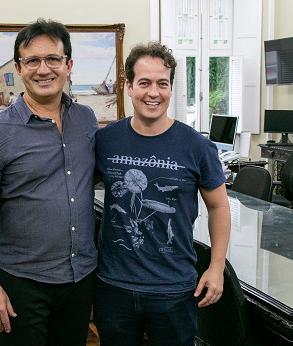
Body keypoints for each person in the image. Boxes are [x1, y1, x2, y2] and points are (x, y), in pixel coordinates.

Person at [0, 18, 98, 346]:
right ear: (19, 69)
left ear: (68, 65)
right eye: (32, 60)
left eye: (53, 59)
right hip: (21, 282)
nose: (43, 69)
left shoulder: (86, 120)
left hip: (80, 279)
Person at [93, 42, 231, 346]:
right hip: (113, 286)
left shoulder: (196, 146)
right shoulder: (105, 140)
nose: (153, 92)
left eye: (162, 84)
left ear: (170, 88)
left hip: (174, 288)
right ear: (128, 87)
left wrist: (217, 266)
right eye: (144, 83)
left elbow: (219, 206)